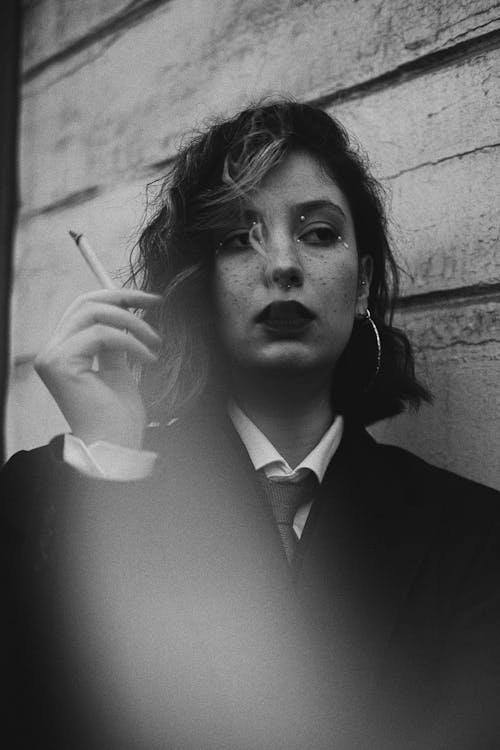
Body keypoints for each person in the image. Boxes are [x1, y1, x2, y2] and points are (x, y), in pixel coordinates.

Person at [2, 100, 500, 749]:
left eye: (319, 232)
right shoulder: (50, 493)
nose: (283, 264)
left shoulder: (471, 536)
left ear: (363, 281)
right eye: (239, 238)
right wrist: (111, 464)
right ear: (201, 287)